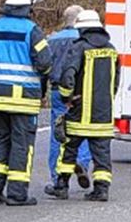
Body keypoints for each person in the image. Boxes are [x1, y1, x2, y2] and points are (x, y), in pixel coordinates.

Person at [0, 0, 52, 206]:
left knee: (0, 140)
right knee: (22, 144)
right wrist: (43, 81)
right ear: (28, 5)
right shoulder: (32, 30)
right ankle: (17, 193)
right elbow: (45, 62)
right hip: (23, 99)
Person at [48, 10, 119, 201]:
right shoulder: (112, 49)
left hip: (80, 112)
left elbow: (68, 76)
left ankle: (61, 186)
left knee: (69, 149)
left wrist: (66, 98)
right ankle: (101, 189)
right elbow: (115, 82)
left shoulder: (79, 47)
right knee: (102, 154)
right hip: (103, 113)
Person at [43, 5, 92, 197]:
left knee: (58, 133)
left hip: (57, 91)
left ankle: (57, 178)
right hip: (81, 93)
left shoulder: (52, 40)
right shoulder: (84, 41)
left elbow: (44, 65)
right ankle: (82, 162)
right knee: (83, 129)